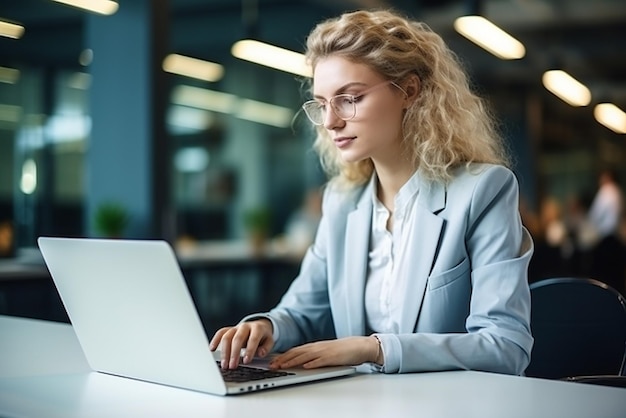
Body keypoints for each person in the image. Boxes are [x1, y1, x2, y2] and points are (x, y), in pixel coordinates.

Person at [210, 9, 534, 375]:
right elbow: (302, 312)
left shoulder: (482, 191)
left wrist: (375, 348)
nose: (331, 121)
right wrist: (265, 327)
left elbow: (505, 346)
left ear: (409, 91)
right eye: (322, 104)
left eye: (350, 98)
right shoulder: (342, 202)